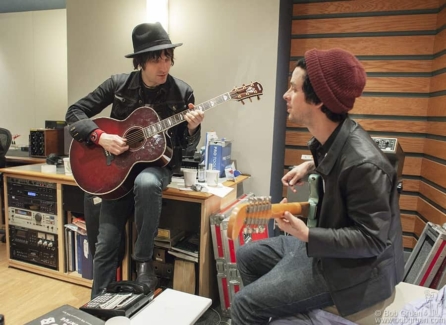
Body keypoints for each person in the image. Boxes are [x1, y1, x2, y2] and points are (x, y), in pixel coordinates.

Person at [230, 48, 404, 324]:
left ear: (319, 101)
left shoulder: (364, 165)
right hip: (328, 250)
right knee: (247, 255)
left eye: (293, 89)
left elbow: (372, 239)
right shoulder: (334, 142)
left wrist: (307, 235)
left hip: (353, 270)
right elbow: (340, 166)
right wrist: (310, 165)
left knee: (244, 304)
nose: (286, 95)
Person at [65, 22, 204, 298]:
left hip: (157, 169)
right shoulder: (118, 85)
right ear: (141, 61)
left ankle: (144, 262)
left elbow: (186, 148)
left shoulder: (182, 92)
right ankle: (98, 307)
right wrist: (100, 137)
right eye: (156, 59)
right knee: (105, 245)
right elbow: (74, 112)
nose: (164, 65)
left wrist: (191, 128)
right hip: (116, 174)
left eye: (167, 57)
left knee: (146, 181)